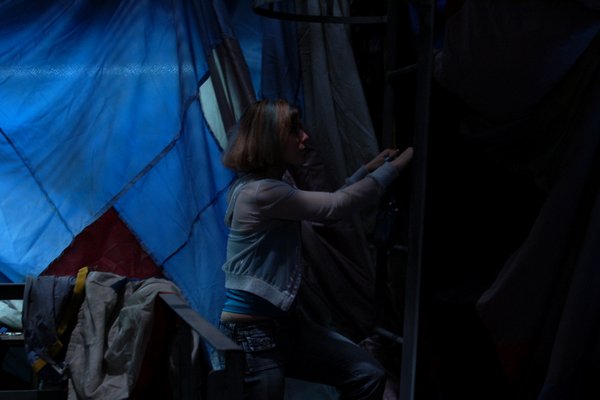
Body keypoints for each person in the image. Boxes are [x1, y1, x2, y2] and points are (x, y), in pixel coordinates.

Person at [219, 98, 413, 400]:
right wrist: (399, 166)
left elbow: (326, 204)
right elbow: (335, 206)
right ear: (271, 139)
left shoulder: (260, 186)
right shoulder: (261, 192)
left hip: (284, 327)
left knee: (368, 374)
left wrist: (367, 170)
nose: (305, 137)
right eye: (294, 130)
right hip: (255, 336)